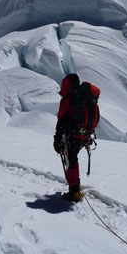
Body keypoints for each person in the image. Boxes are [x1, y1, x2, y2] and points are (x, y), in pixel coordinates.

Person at [53, 73, 84, 202]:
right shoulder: (82, 96)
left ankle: (74, 192)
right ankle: (76, 184)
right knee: (73, 159)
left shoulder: (67, 99)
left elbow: (61, 121)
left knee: (71, 160)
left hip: (72, 134)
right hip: (84, 134)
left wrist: (57, 139)